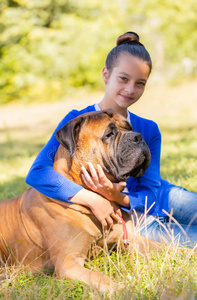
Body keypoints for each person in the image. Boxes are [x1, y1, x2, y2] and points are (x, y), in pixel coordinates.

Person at [26, 31, 197, 248]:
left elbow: (151, 192)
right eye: (123, 78)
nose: (130, 89)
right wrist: (92, 198)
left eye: (140, 83)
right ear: (106, 74)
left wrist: (116, 196)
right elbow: (38, 172)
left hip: (164, 200)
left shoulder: (149, 129)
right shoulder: (77, 121)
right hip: (139, 222)